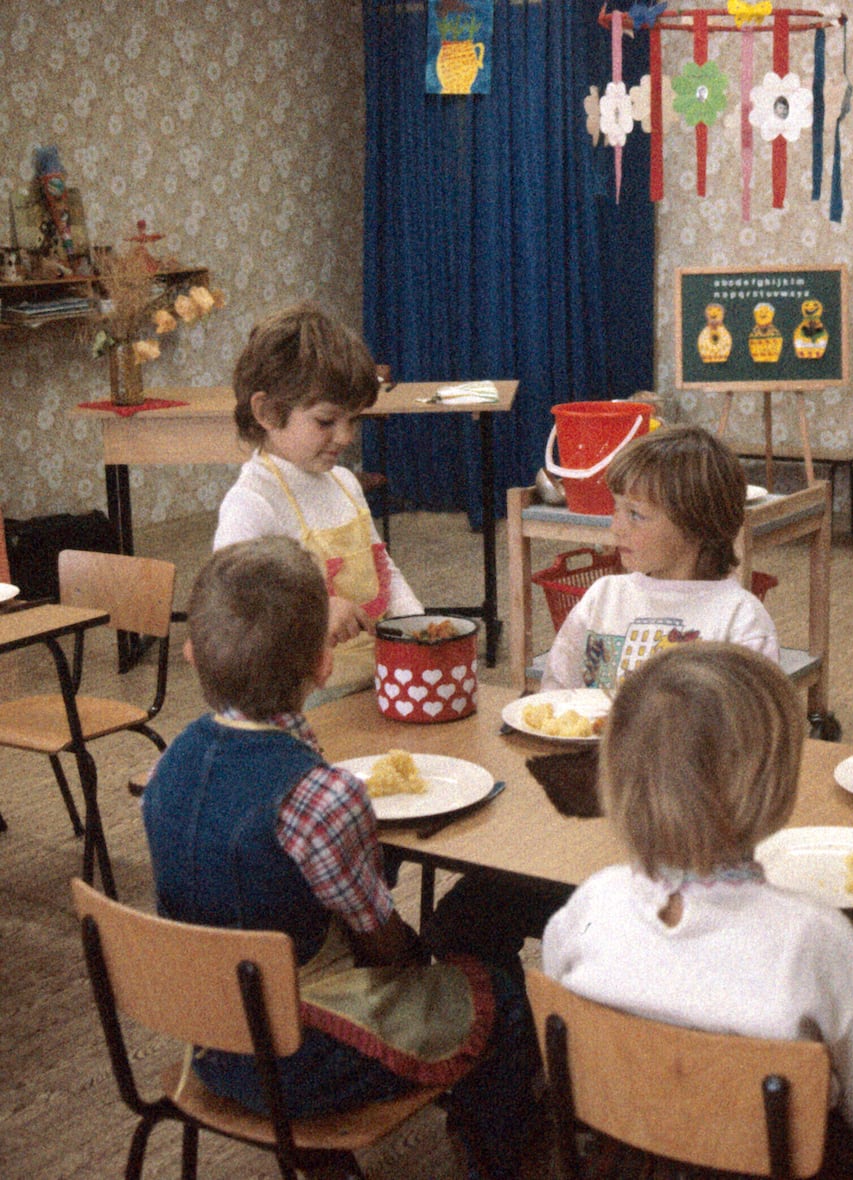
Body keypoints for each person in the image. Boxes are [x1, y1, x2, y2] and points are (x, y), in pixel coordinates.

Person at [141, 538, 540, 1180]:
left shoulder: (166, 767)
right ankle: (504, 1158)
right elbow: (380, 942)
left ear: (190, 655)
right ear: (324, 667)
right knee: (500, 993)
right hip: (302, 1057)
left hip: (207, 1042)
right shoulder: (321, 796)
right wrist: (426, 967)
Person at [541, 642, 853, 1177]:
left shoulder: (593, 901)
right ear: (776, 790)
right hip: (769, 1163)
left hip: (629, 1151)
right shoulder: (817, 939)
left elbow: (562, 995)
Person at [214, 302, 422, 700]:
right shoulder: (252, 502)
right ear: (268, 412)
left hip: (375, 682)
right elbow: (231, 608)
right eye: (326, 421)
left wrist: (415, 623)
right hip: (302, 702)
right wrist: (316, 613)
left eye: (354, 420)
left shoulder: (345, 482)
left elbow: (383, 569)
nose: (345, 437)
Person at [540, 424, 780, 691]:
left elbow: (754, 725)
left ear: (696, 523)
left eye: (635, 514)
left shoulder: (741, 619)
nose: (616, 528)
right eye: (616, 508)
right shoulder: (603, 597)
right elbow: (556, 692)